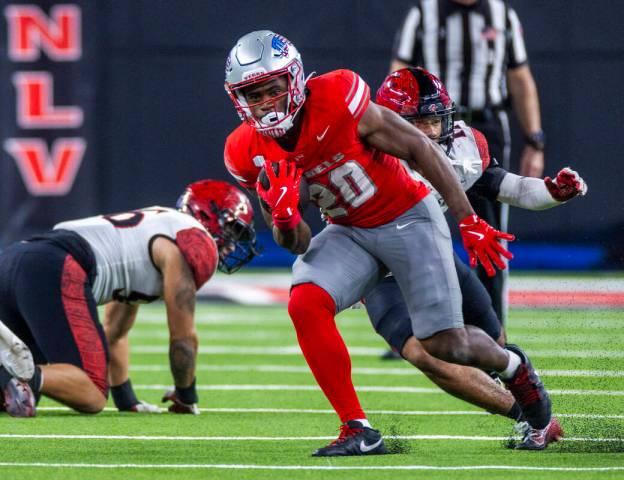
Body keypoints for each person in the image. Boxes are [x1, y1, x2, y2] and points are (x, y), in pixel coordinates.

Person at [223, 30, 549, 456]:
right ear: (237, 98)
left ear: (296, 79)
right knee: (305, 301)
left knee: (442, 343)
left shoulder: (338, 95)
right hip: (347, 230)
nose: (266, 102)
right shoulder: (245, 150)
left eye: (273, 88)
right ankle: (357, 428)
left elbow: (419, 147)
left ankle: (513, 366)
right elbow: (298, 244)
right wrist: (284, 215)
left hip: (406, 217)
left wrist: (468, 221)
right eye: (254, 93)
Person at [364, 67, 586, 449]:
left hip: (432, 256)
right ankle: (524, 416)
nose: (430, 133)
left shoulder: (463, 148)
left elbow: (508, 187)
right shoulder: (363, 156)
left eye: (435, 120)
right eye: (416, 123)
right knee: (424, 352)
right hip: (378, 267)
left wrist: (552, 192)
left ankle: (536, 418)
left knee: (493, 346)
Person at [0, 180, 260, 417]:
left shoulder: (154, 229)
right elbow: (183, 338)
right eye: (229, 230)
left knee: (8, 396)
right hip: (58, 266)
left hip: (15, 260)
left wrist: (128, 400)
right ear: (206, 217)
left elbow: (115, 330)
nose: (229, 243)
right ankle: (15, 370)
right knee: (90, 394)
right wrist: (187, 397)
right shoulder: (191, 241)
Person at [391, 0, 546, 323]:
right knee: (407, 227)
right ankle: (410, 323)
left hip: (482, 128)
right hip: (424, 130)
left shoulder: (501, 14)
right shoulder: (424, 12)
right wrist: (394, 130)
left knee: (489, 229)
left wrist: (535, 140)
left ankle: (492, 328)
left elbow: (520, 77)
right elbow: (398, 75)